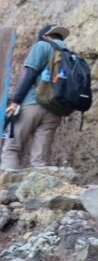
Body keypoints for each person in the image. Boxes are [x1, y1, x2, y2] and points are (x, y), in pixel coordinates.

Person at [1, 24, 69, 170]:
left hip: (32, 104)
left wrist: (16, 101)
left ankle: (7, 191)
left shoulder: (42, 46)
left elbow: (29, 75)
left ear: (45, 36)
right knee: (40, 160)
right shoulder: (69, 54)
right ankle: (40, 192)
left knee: (11, 149)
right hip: (55, 110)